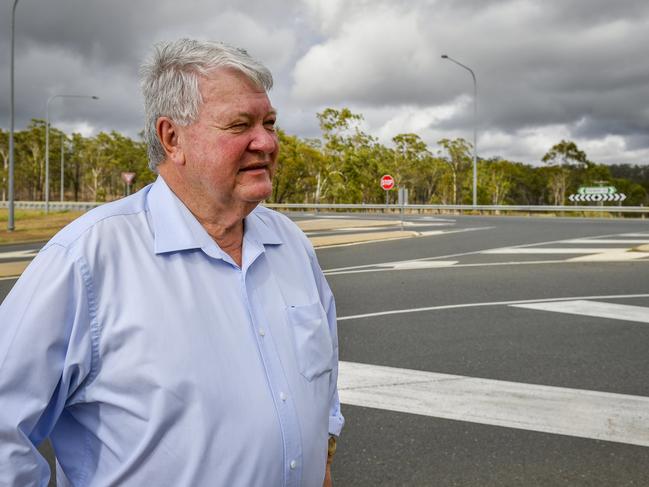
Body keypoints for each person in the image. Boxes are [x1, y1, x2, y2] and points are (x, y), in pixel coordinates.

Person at [0, 38, 344, 487]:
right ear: (172, 138)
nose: (266, 141)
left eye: (270, 122)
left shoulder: (291, 244)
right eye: (240, 125)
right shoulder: (88, 259)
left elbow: (323, 381)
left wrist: (325, 454)